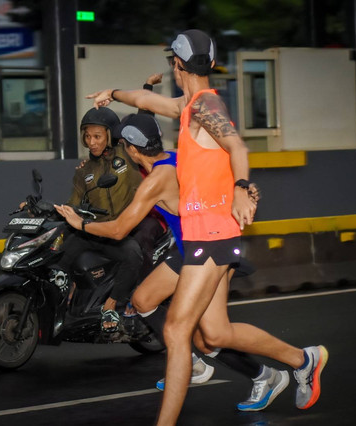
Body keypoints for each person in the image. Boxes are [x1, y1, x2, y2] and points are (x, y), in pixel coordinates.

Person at [86, 29, 327, 424]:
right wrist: (113, 93)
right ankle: (304, 361)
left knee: (178, 331)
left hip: (211, 236)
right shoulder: (192, 104)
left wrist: (241, 187)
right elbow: (148, 100)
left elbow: (237, 147)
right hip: (208, 235)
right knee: (214, 334)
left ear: (176, 64)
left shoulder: (204, 107)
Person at [56, 113, 288, 412]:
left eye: (123, 145)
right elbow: (213, 177)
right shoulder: (175, 159)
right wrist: (241, 189)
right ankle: (195, 363)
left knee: (209, 336)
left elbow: (118, 230)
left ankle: (269, 373)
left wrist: (79, 224)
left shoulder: (155, 180)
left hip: (204, 250)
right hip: (189, 249)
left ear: (133, 149)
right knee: (143, 300)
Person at [61, 106, 160, 333]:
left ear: (110, 135)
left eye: (97, 136)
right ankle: (67, 298)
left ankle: (113, 304)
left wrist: (146, 91)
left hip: (125, 227)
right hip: (99, 229)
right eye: (88, 136)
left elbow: (141, 125)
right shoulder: (84, 171)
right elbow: (73, 203)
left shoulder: (127, 154)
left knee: (133, 253)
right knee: (63, 250)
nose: (92, 141)